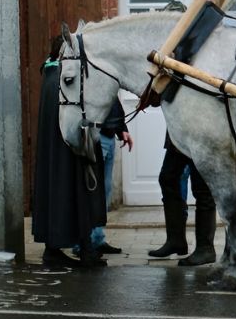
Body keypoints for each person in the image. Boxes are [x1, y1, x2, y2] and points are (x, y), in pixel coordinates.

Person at [31, 38, 108, 269]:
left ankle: (56, 249)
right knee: (79, 198)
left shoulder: (50, 75)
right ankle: (84, 251)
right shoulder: (63, 80)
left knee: (59, 197)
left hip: (59, 150)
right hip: (71, 151)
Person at [147, 135, 217, 267]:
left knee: (202, 187)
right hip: (180, 132)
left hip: (199, 133)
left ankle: (206, 249)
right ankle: (176, 241)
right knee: (168, 178)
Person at [77, 99, 133, 256]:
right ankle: (84, 242)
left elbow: (112, 100)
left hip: (107, 135)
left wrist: (121, 128)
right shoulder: (89, 75)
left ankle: (97, 239)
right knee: (92, 190)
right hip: (96, 135)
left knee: (104, 190)